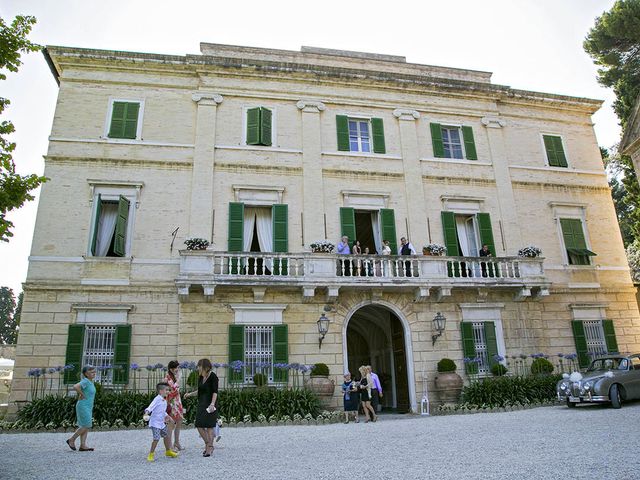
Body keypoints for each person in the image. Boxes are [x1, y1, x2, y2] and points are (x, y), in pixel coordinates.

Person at [184, 358, 218, 457]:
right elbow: (200, 391)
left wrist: (212, 404)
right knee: (199, 424)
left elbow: (215, 392)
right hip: (201, 404)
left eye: (199, 366)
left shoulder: (213, 377)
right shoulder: (200, 377)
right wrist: (189, 394)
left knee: (210, 426)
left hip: (210, 404)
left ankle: (209, 448)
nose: (198, 368)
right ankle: (208, 444)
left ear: (205, 367)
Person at [144, 382, 179, 462]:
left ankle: (168, 451)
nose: (168, 391)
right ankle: (151, 454)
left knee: (166, 436)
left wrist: (168, 417)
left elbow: (162, 411)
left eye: (168, 390)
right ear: (160, 391)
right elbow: (150, 407)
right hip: (155, 423)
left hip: (161, 423)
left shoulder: (164, 400)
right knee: (156, 439)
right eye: (166, 390)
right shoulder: (157, 399)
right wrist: (146, 413)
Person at [66, 365, 97, 452]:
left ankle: (83, 445)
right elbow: (75, 386)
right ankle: (71, 440)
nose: (94, 373)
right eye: (91, 372)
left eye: (94, 372)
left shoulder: (90, 382)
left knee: (85, 426)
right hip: (83, 405)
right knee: (86, 425)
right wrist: (82, 394)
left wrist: (82, 393)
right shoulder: (86, 381)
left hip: (88, 406)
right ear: (86, 374)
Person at [164, 360, 185, 451]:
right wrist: (179, 379)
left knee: (179, 422)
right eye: (176, 368)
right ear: (171, 369)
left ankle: (176, 442)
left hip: (177, 403)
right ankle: (170, 446)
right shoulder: (167, 378)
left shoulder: (173, 377)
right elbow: (172, 392)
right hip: (171, 404)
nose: (177, 369)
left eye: (178, 367)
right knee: (171, 424)